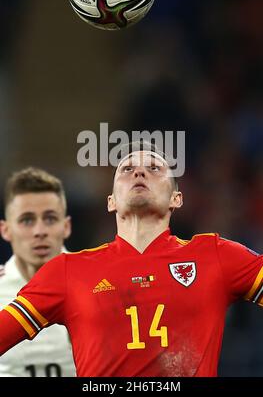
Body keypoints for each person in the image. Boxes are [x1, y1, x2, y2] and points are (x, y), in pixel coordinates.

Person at [0, 142, 262, 377]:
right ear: (111, 201)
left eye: (154, 168)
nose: (139, 173)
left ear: (176, 199)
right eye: (127, 169)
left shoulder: (216, 255)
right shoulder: (67, 271)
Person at [0, 167, 76, 377]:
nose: (39, 231)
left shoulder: (99, 284)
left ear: (66, 226)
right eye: (27, 220)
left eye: (50, 219)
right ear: (5, 230)